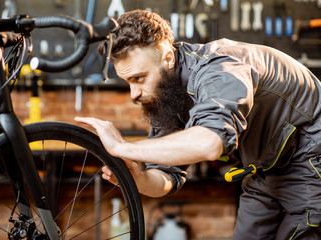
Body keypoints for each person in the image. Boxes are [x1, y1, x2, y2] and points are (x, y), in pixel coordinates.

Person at [75, 9, 321, 239]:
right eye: (128, 81)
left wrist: (123, 147)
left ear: (168, 58)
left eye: (139, 78)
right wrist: (139, 178)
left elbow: (209, 143)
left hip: (310, 162)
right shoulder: (169, 93)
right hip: (263, 172)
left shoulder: (220, 68)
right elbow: (167, 176)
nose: (133, 94)